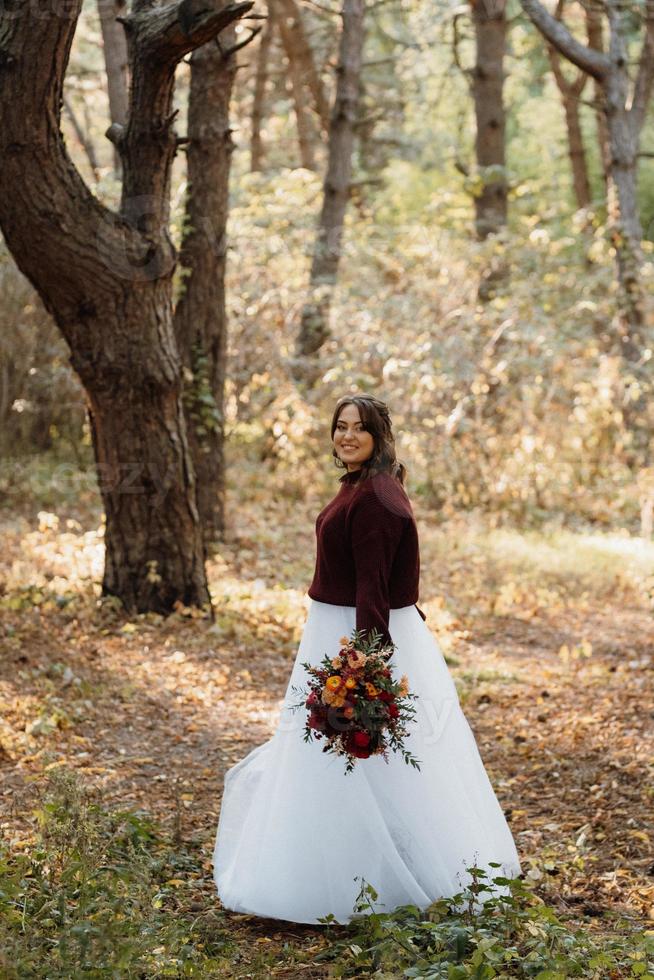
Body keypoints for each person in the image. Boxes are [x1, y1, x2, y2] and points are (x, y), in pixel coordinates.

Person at [212, 394, 522, 925]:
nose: (347, 436)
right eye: (340, 426)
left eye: (359, 428)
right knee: (348, 767)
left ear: (380, 434)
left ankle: (383, 881)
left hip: (357, 639)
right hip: (336, 633)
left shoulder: (376, 498)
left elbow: (373, 591)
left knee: (368, 761)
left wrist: (363, 675)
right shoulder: (361, 484)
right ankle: (355, 871)